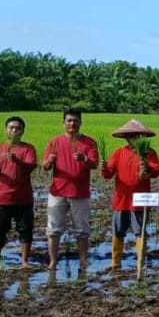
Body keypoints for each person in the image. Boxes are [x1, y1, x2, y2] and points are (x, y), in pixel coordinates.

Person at [42, 109, 100, 273]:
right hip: (57, 192)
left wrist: (85, 159)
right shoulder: (54, 142)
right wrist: (50, 161)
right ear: (63, 123)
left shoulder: (89, 142)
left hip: (80, 193)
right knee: (53, 228)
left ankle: (83, 259)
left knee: (82, 229)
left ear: (80, 122)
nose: (72, 124)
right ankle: (53, 261)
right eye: (69, 121)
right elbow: (45, 167)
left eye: (75, 120)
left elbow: (95, 164)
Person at [102, 119, 159, 273]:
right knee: (118, 231)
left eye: (137, 136)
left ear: (142, 137)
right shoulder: (119, 152)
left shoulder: (149, 153)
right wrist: (103, 168)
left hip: (140, 200)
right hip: (122, 199)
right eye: (131, 136)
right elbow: (108, 174)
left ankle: (140, 263)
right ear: (126, 138)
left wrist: (147, 167)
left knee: (140, 231)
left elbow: (156, 171)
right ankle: (116, 262)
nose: (134, 139)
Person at [0, 116, 38, 269]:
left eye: (18, 128)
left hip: (23, 197)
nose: (15, 130)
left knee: (25, 229)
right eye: (11, 127)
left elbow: (31, 167)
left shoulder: (28, 148)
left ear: (23, 131)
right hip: (2, 197)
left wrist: (17, 161)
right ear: (6, 130)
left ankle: (24, 261)